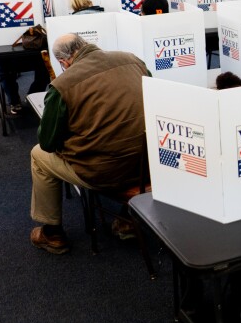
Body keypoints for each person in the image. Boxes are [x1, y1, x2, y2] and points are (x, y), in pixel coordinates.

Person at [29, 33, 150, 255]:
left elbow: (47, 142)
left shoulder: (62, 85)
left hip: (103, 173)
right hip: (148, 167)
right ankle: (126, 220)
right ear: (86, 46)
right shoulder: (134, 61)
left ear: (64, 62)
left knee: (38, 155)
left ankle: (52, 233)